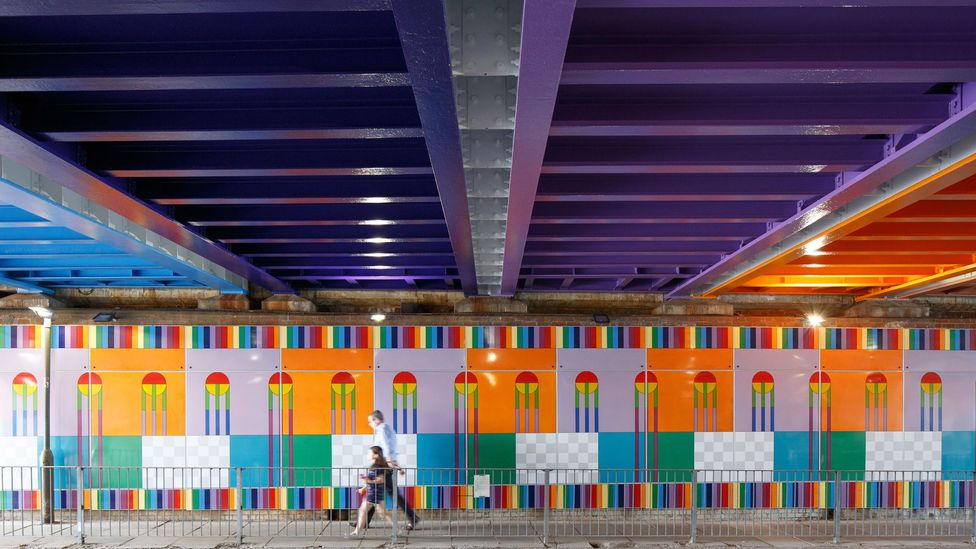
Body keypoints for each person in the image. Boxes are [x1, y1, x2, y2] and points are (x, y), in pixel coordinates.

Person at [364, 410, 419, 531]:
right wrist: (397, 466)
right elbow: (392, 449)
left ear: (376, 420)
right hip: (387, 464)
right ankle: (364, 521)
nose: (369, 424)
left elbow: (386, 449)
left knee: (392, 494)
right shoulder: (389, 428)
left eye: (370, 421)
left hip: (384, 465)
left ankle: (413, 518)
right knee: (376, 491)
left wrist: (389, 464)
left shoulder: (381, 430)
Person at [347, 446, 397, 538]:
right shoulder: (374, 466)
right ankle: (397, 530)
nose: (368, 455)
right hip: (373, 494)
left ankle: (356, 533)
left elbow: (381, 480)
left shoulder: (378, 467)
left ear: (376, 455)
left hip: (374, 495)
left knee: (367, 511)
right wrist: (364, 488)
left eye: (370, 453)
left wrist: (368, 481)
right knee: (381, 512)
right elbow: (372, 480)